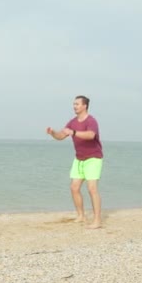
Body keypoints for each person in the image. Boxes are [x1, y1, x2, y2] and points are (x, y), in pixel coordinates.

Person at [47, 95, 103, 229]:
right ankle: (81, 216)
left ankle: (97, 220)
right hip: (79, 159)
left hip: (93, 158)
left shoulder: (91, 121)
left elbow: (91, 135)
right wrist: (53, 133)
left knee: (92, 189)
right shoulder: (72, 122)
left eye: (77, 104)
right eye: (74, 104)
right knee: (74, 187)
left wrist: (73, 132)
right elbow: (61, 136)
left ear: (85, 106)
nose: (74, 106)